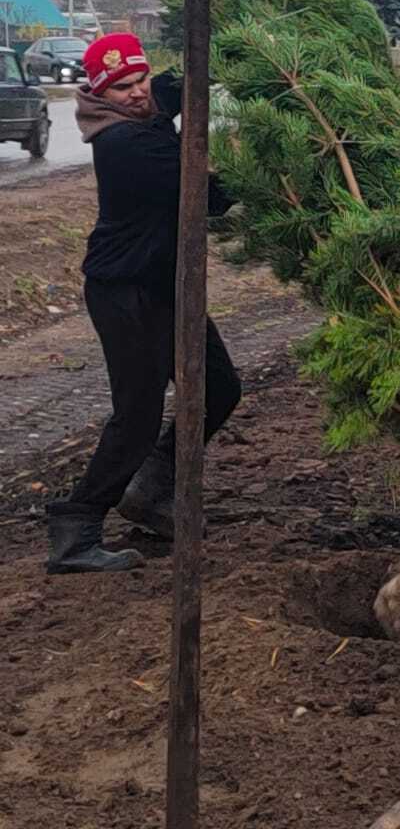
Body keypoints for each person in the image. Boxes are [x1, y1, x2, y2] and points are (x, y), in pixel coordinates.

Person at [45, 33, 242, 574]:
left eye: (139, 81)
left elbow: (183, 81)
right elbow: (213, 196)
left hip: (164, 284)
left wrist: (251, 54)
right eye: (121, 88)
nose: (136, 94)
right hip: (124, 290)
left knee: (220, 387)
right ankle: (75, 528)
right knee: (136, 415)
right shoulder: (124, 145)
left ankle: (151, 490)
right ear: (100, 94)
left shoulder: (146, 106)